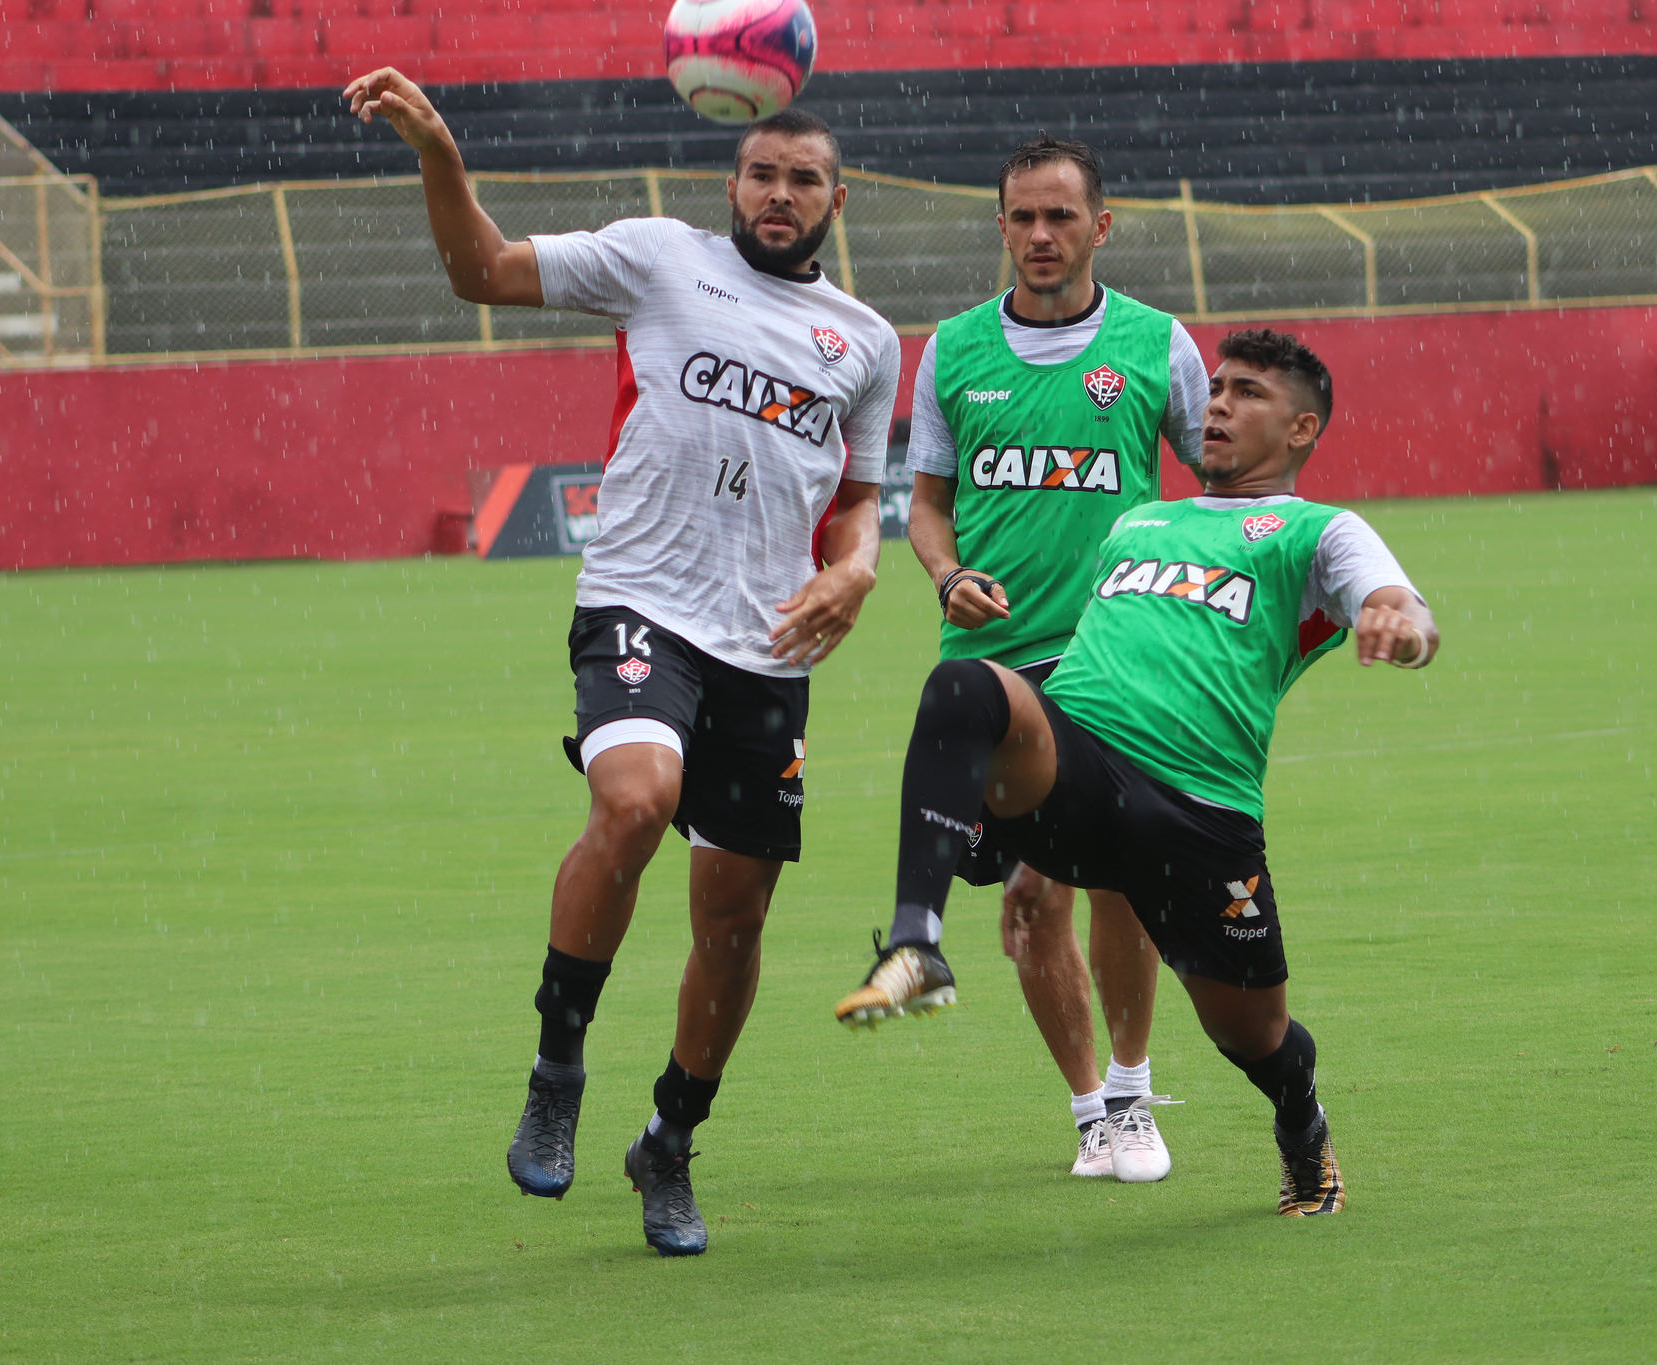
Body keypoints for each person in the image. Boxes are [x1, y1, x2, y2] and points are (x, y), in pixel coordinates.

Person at [345, 69, 900, 1257]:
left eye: (803, 180)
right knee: (636, 801)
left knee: (735, 921)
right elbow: (480, 271)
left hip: (768, 643)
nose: (778, 194)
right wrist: (441, 152)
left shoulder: (862, 341)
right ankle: (558, 1067)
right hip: (641, 602)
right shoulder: (659, 259)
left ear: (835, 201)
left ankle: (671, 1141)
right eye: (761, 173)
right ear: (730, 181)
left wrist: (855, 567)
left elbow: (856, 502)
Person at [835, 329, 1438, 1215]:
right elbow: (1099, 663)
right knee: (964, 684)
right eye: (1219, 388)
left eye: (1248, 394)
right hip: (1082, 770)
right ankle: (916, 944)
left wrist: (1401, 624)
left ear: (1303, 428)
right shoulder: (1140, 521)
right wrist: (1040, 851)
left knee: (1253, 1035)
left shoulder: (1318, 530)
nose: (1220, 405)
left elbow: (1394, 599)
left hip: (1199, 812)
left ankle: (1300, 1119)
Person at [891, 134, 1209, 1183]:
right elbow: (926, 508)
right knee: (1030, 899)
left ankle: (1131, 1092)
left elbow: (1224, 487)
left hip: (1119, 662)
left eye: (1059, 217)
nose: (1039, 236)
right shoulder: (953, 351)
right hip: (995, 672)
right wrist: (943, 576)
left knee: (1125, 884)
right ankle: (1087, 1112)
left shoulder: (1157, 347)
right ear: (999, 227)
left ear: (1100, 226)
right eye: (1021, 218)